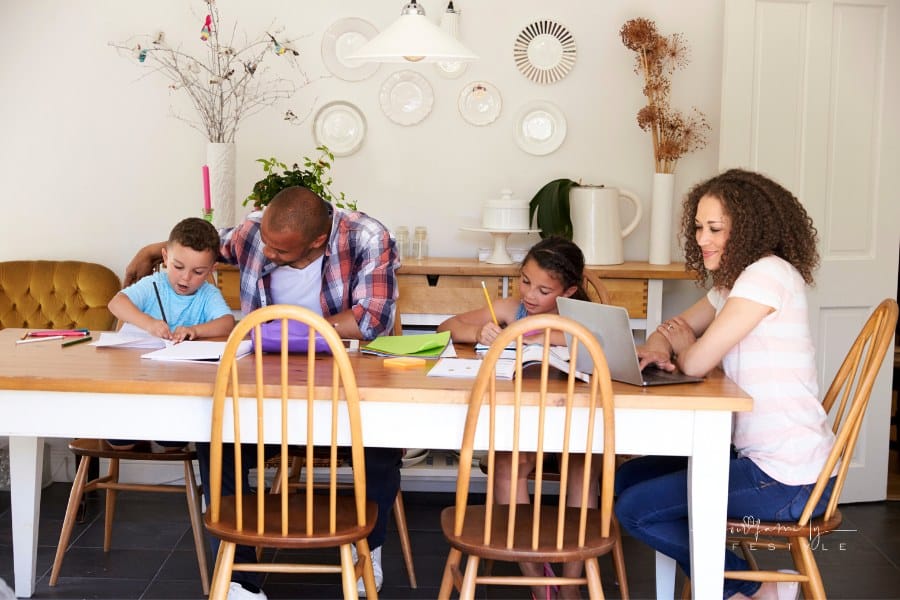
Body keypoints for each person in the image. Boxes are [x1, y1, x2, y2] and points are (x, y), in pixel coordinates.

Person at [125, 187, 401, 600]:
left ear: (317, 241)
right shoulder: (254, 232)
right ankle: (239, 574)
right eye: (264, 244)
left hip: (341, 383)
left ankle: (369, 553)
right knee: (215, 440)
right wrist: (153, 250)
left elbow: (372, 318)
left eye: (279, 250)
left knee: (383, 443)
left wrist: (285, 328)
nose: (265, 253)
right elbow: (208, 243)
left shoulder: (367, 238)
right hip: (264, 388)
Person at [614, 169, 836, 600]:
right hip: (762, 463)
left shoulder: (766, 276)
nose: (702, 238)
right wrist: (662, 347)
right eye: (698, 227)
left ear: (750, 228)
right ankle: (734, 586)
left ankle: (750, 590)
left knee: (636, 510)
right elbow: (673, 331)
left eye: (715, 228)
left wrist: (683, 347)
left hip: (789, 481)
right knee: (630, 478)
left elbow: (696, 361)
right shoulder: (735, 282)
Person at [438, 236, 600, 600]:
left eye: (544, 290)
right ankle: (539, 585)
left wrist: (544, 336)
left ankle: (573, 583)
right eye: (525, 280)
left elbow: (604, 347)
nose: (530, 294)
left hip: (576, 426)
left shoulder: (586, 321)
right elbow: (446, 327)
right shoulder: (512, 309)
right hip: (520, 425)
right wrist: (479, 332)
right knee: (509, 464)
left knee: (584, 466)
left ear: (569, 291)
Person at [108, 216, 234, 451]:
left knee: (172, 440)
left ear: (211, 270)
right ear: (165, 257)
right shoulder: (153, 285)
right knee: (120, 442)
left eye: (198, 271)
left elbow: (227, 323)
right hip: (135, 386)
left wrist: (195, 330)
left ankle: (158, 431)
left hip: (178, 394)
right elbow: (116, 303)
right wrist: (149, 324)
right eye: (178, 267)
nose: (186, 278)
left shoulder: (207, 294)